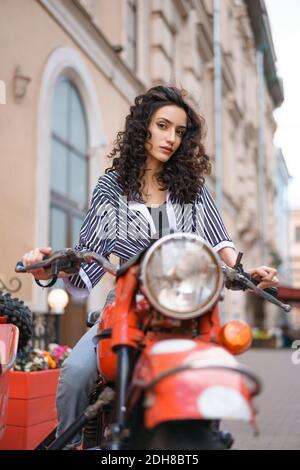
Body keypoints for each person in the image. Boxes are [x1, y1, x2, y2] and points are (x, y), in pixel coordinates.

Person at [22, 86, 279, 447]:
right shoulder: (112, 187)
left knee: (210, 369)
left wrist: (248, 273)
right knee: (76, 373)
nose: (171, 138)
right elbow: (88, 261)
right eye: (163, 126)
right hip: (127, 305)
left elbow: (222, 244)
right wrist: (49, 270)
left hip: (186, 310)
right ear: (143, 128)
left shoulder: (193, 189)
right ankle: (75, 444)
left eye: (179, 131)